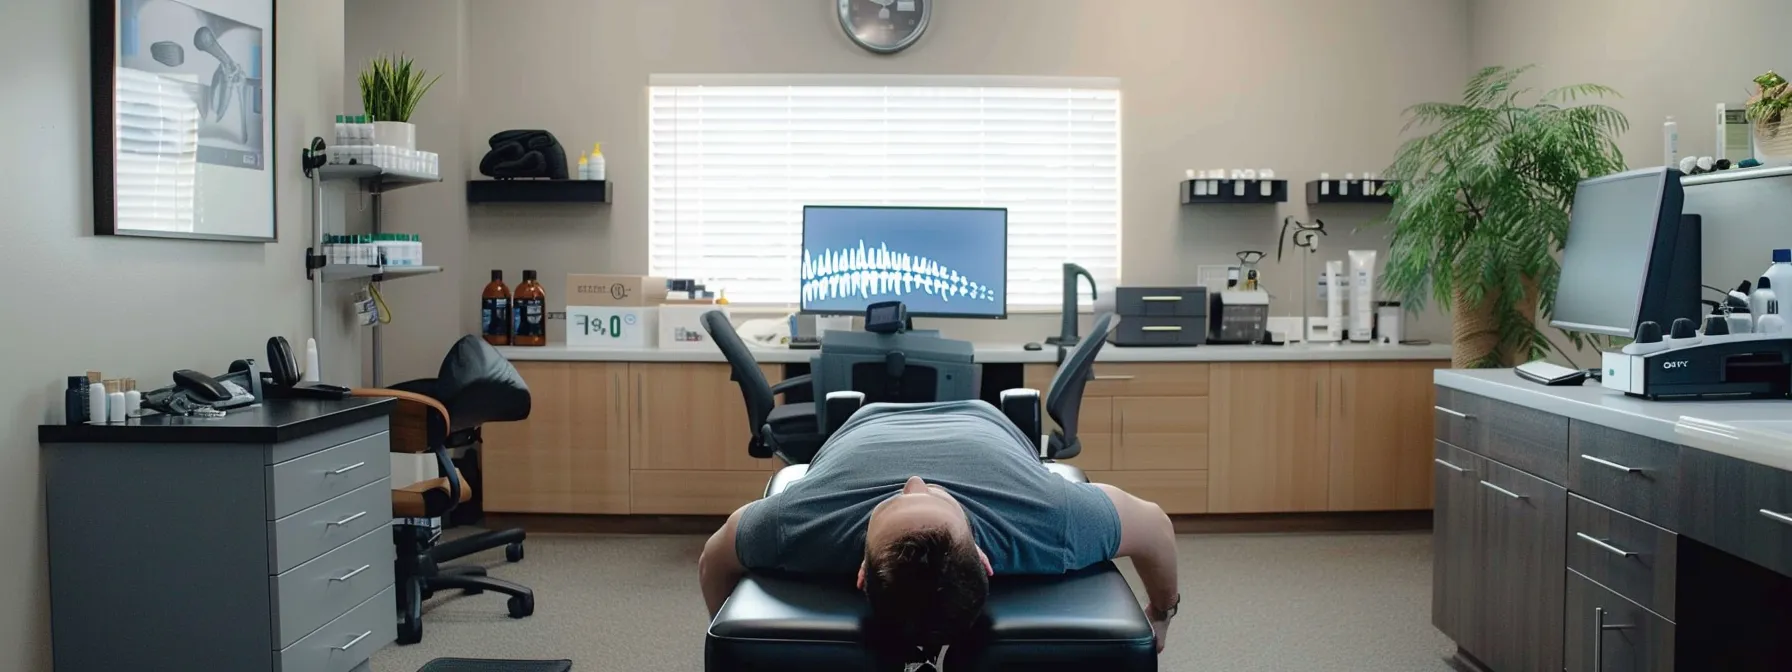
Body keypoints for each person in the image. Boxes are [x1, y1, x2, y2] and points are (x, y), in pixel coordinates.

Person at [699, 399, 1181, 655]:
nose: (915, 481)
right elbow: (1154, 526)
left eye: (895, 502)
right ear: (987, 559)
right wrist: (1161, 612)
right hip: (974, 416)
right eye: (931, 497)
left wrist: (1159, 614)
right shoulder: (1051, 519)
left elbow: (715, 557)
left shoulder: (797, 525)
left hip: (873, 420)